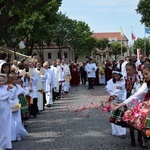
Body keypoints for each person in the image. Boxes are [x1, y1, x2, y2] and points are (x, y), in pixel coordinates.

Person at [113, 63, 150, 150]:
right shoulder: (146, 85)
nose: (144, 76)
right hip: (146, 107)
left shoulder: (139, 79)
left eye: (146, 74)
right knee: (145, 127)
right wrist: (122, 104)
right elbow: (136, 95)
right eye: (144, 74)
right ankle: (144, 141)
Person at [105, 68, 127, 138]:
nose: (116, 77)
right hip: (113, 101)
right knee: (114, 115)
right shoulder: (110, 82)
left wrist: (114, 95)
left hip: (121, 100)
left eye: (117, 76)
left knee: (120, 116)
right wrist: (111, 95)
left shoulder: (122, 81)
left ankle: (122, 132)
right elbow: (108, 88)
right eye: (115, 76)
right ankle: (115, 131)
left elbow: (119, 89)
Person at [8, 73, 28, 142]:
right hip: (9, 104)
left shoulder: (17, 86)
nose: (15, 81)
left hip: (17, 104)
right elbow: (9, 96)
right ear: (10, 80)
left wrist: (27, 89)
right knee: (11, 121)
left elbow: (25, 92)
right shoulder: (8, 86)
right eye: (13, 79)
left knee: (18, 120)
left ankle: (18, 134)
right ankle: (12, 136)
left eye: (16, 79)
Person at [0, 73, 16, 149]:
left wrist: (12, 90)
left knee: (4, 127)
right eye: (0, 81)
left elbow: (12, 97)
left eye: (3, 81)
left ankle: (4, 144)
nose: (1, 82)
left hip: (5, 109)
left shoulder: (6, 88)